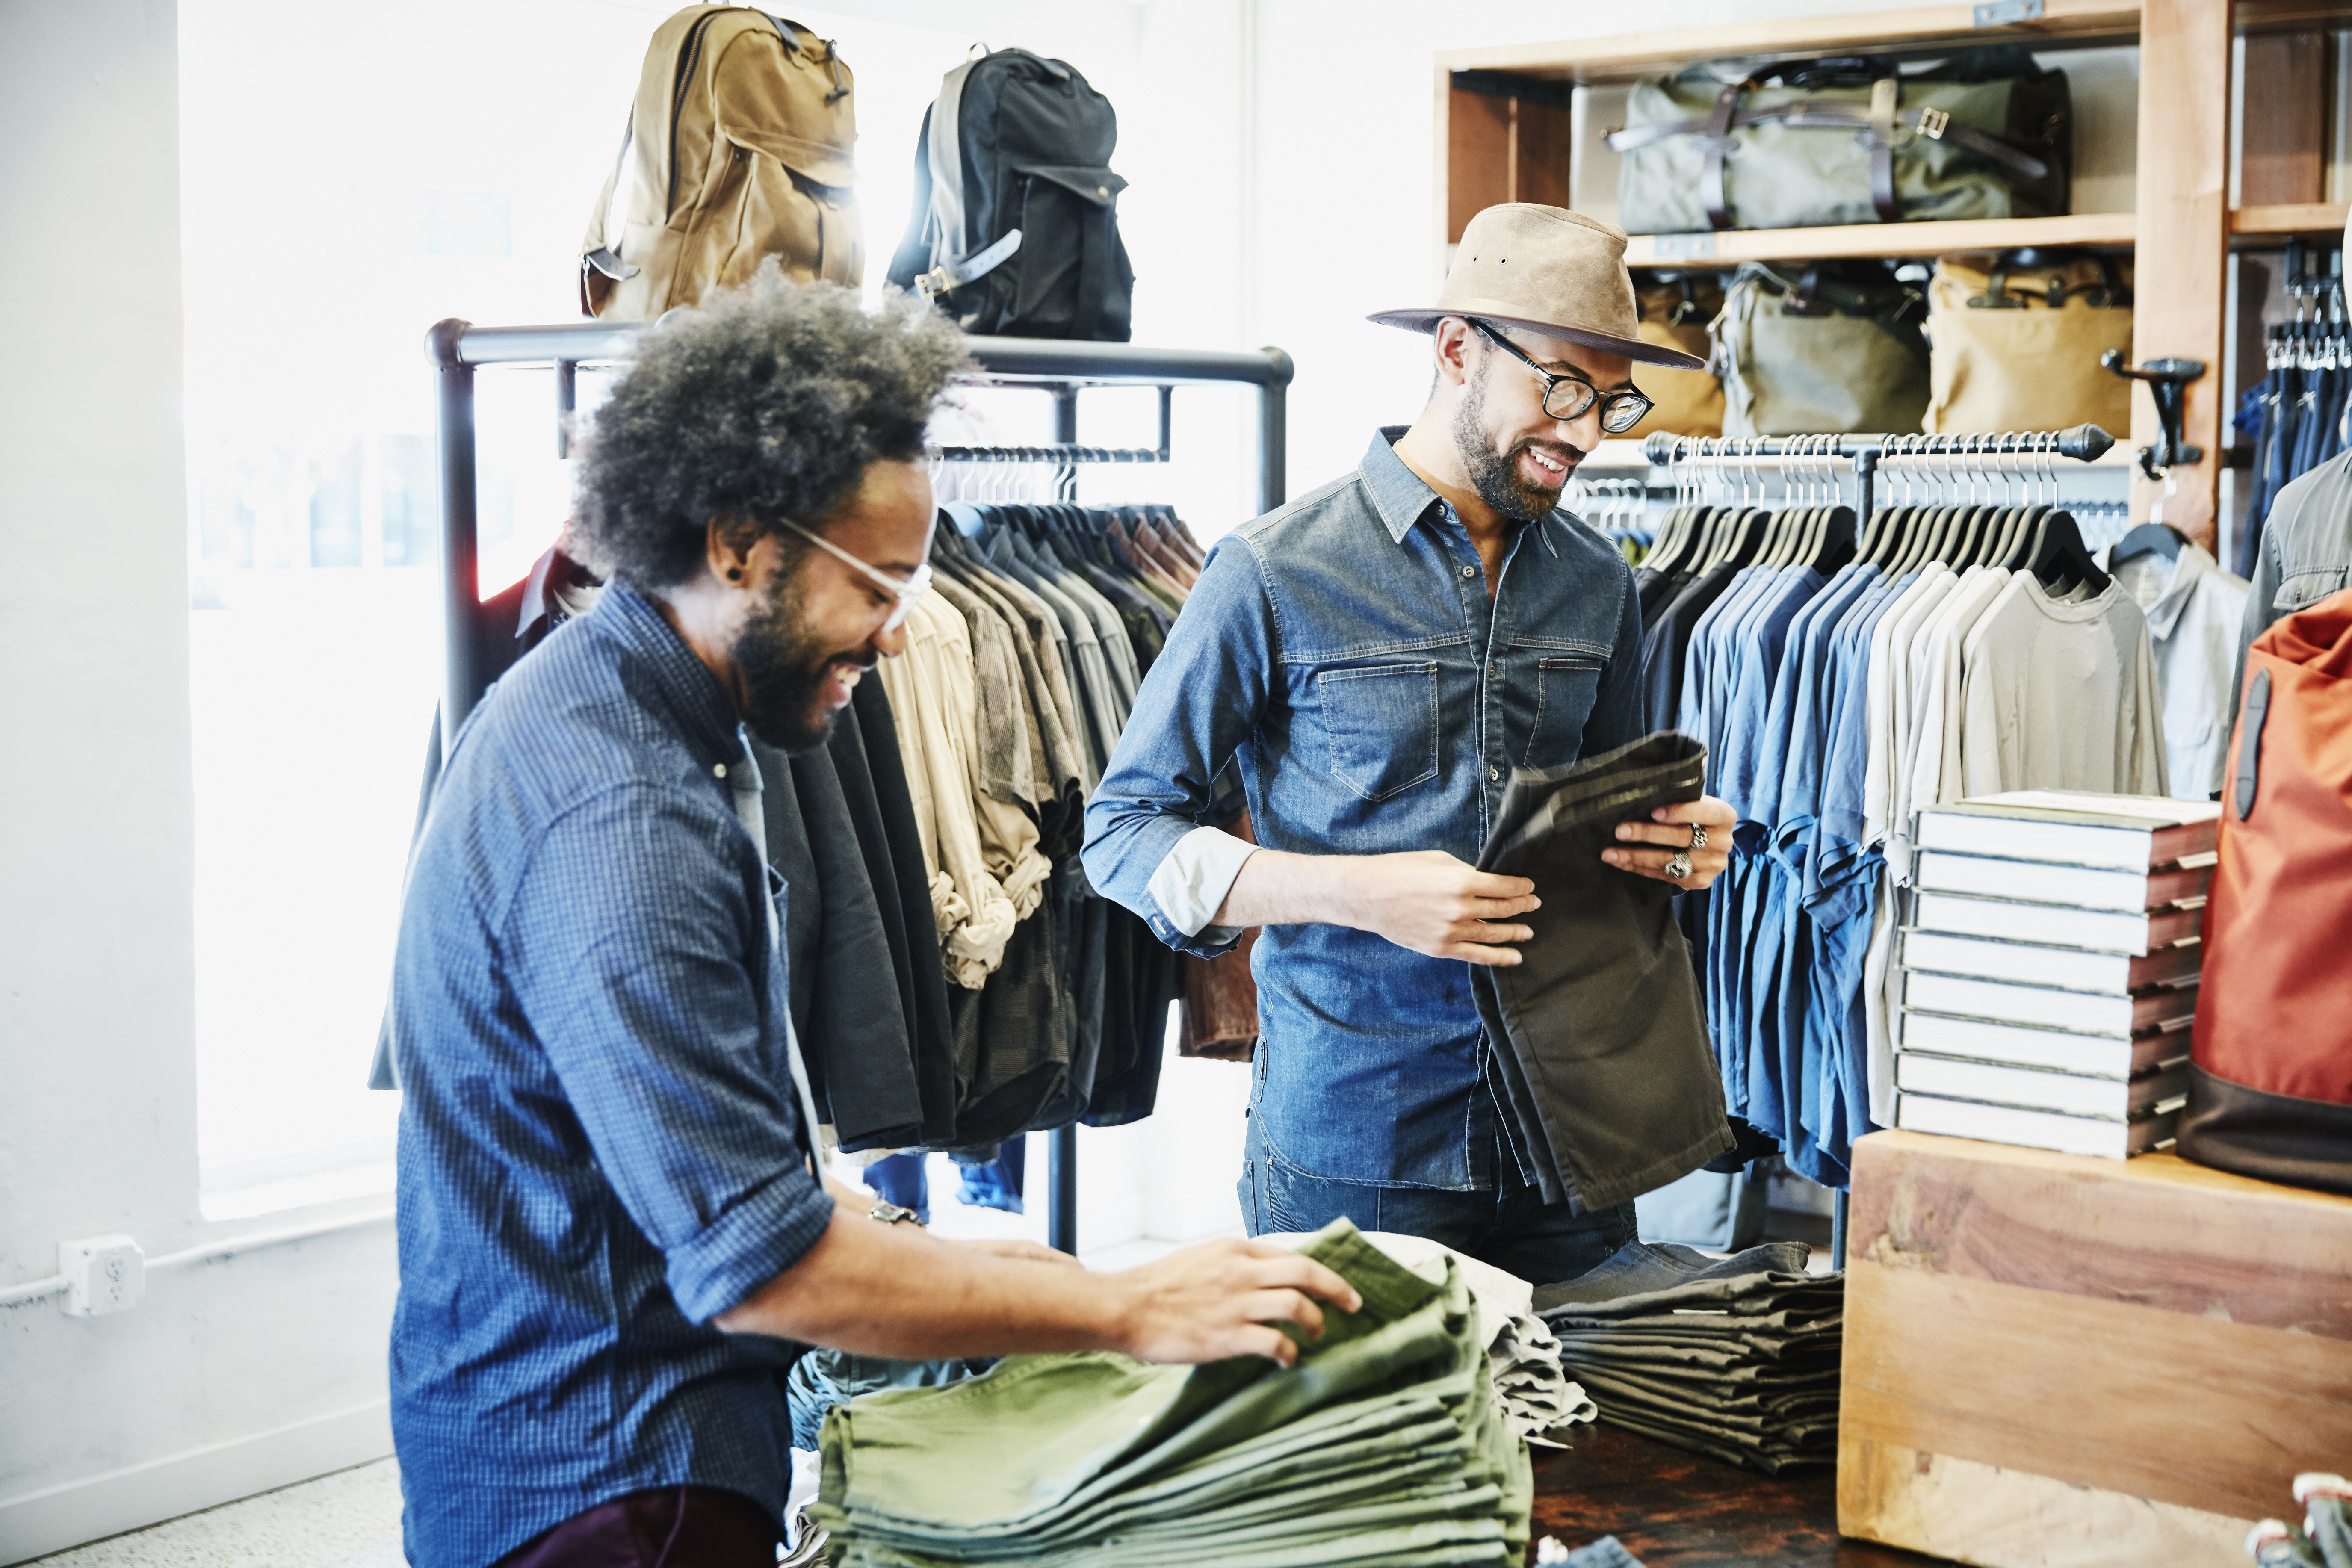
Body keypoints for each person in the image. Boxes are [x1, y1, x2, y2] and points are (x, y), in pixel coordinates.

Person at [384, 271, 1358, 1568]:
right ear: (737, 543)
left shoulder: (603, 691)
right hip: (612, 1484)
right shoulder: (624, 818)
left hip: (569, 1431)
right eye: (880, 585)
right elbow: (769, 1271)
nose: (902, 639)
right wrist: (1123, 1303)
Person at [1082, 204, 1736, 1283]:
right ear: (1454, 350)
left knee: (1591, 1447)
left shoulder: (1600, 582)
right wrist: (1354, 892)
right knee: (1371, 1452)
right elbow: (1120, 834)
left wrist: (1678, 847)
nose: (1584, 436)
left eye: (1610, 403)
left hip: (1571, 1141)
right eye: (1561, 390)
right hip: (1359, 1146)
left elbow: (1605, 834)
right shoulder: (1273, 570)